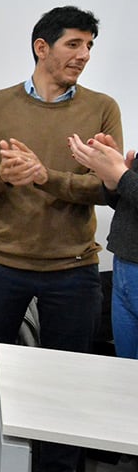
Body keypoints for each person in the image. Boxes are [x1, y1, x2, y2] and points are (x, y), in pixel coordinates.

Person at [0, 6, 121, 472]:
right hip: (1, 263)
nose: (84, 55)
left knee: (66, 380)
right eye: (74, 44)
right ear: (42, 48)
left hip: (73, 267)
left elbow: (108, 186)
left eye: (89, 46)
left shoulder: (102, 108)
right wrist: (5, 173)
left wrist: (46, 176)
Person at [68, 132, 138, 359]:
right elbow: (126, 204)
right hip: (125, 267)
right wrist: (112, 181)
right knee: (127, 372)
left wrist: (122, 175)